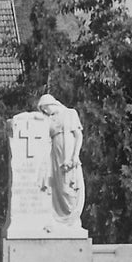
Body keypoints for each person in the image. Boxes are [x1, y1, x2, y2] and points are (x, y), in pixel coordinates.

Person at [37, 94, 85, 226]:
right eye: (44, 110)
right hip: (55, 156)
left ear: (52, 104)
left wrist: (75, 155)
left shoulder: (70, 113)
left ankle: (70, 218)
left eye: (46, 108)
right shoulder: (49, 120)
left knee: (68, 187)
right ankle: (57, 218)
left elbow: (78, 136)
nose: (46, 112)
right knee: (57, 187)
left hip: (68, 155)